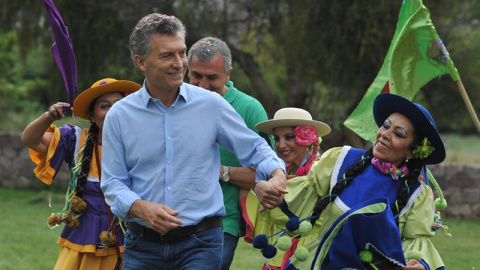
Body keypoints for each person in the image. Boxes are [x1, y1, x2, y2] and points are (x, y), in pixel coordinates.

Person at [100, 13, 287, 270]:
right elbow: (112, 183)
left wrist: (277, 173)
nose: (179, 64)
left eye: (182, 53)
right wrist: (141, 208)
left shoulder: (211, 105)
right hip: (141, 246)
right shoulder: (119, 116)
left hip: (201, 244)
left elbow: (255, 148)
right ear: (140, 62)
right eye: (167, 55)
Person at [278, 93, 448, 270]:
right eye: (386, 126)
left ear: (412, 151)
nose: (385, 134)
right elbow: (298, 196)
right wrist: (272, 190)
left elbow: (416, 247)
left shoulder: (417, 195)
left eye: (398, 134)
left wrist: (418, 265)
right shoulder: (342, 160)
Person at [21, 78, 141, 269]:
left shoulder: (141, 144)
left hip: (127, 243)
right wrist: (49, 116)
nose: (112, 111)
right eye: (104, 106)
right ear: (92, 116)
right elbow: (30, 139)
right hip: (80, 241)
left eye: (119, 105)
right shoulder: (75, 139)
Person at [187, 36, 275, 270]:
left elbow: (266, 173)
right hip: (175, 218)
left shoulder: (249, 108)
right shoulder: (175, 102)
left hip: (222, 223)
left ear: (228, 74)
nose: (203, 85)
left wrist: (221, 171)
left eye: (212, 77)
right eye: (196, 75)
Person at [241, 107, 331, 270]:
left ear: (307, 139)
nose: (281, 145)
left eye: (289, 137)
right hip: (280, 255)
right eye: (277, 138)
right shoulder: (278, 174)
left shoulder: (322, 171)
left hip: (312, 254)